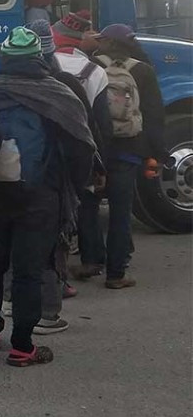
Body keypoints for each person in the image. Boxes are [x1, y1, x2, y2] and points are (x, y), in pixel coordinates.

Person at [0, 28, 95, 367]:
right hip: (41, 196)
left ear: (5, 59)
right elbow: (80, 149)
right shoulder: (59, 95)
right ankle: (23, 346)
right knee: (29, 270)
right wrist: (72, 188)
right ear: (40, 58)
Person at [73, 24, 166, 289]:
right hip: (128, 149)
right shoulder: (143, 71)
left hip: (96, 148)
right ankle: (116, 273)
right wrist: (155, 154)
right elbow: (154, 116)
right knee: (120, 210)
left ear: (105, 42)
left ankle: (91, 260)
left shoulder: (91, 67)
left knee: (89, 205)